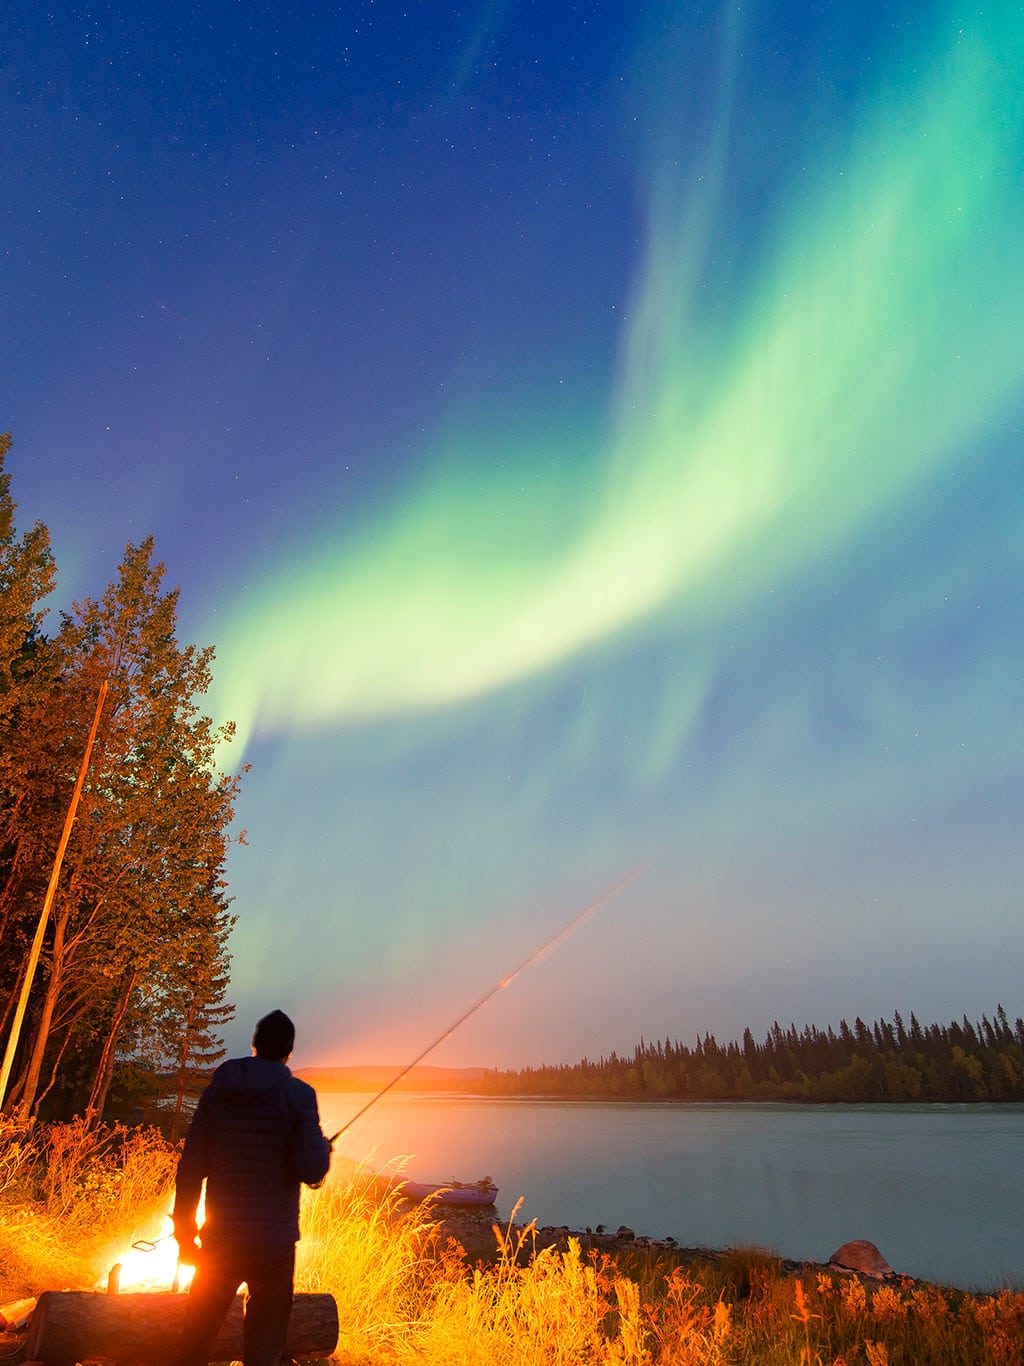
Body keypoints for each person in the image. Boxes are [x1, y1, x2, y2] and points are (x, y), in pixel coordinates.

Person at [172, 1009, 332, 1366]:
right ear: (289, 1051)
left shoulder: (217, 1093)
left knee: (195, 1340)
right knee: (263, 1350)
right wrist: (323, 1146)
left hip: (220, 1240)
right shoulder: (299, 1096)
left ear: (254, 1046)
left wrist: (185, 1234)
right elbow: (312, 1170)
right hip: (272, 1246)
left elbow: (190, 1169)